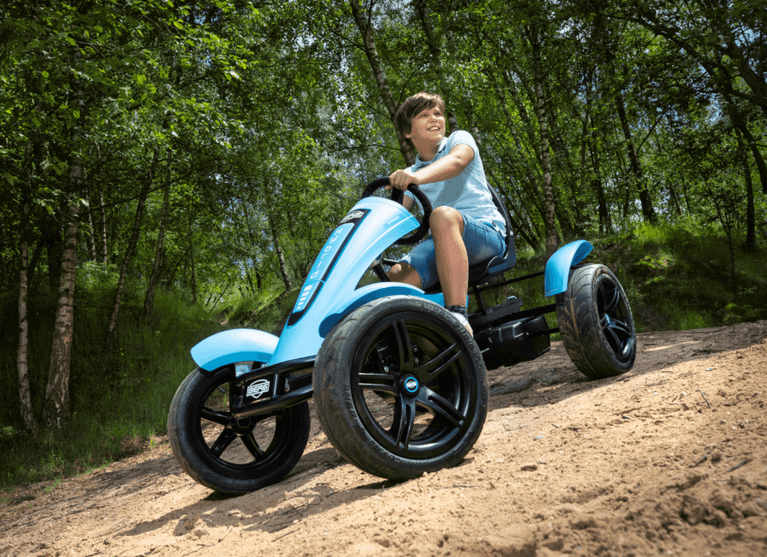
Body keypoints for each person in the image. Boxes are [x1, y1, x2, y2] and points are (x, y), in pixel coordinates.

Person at [386, 92, 507, 335]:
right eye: (423, 115)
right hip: (442, 243)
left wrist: (416, 179)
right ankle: (433, 341)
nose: (434, 119)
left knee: (441, 216)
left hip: (486, 233)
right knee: (395, 275)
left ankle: (458, 317)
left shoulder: (459, 140)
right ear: (407, 132)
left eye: (437, 114)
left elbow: (457, 162)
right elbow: (393, 217)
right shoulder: (411, 173)